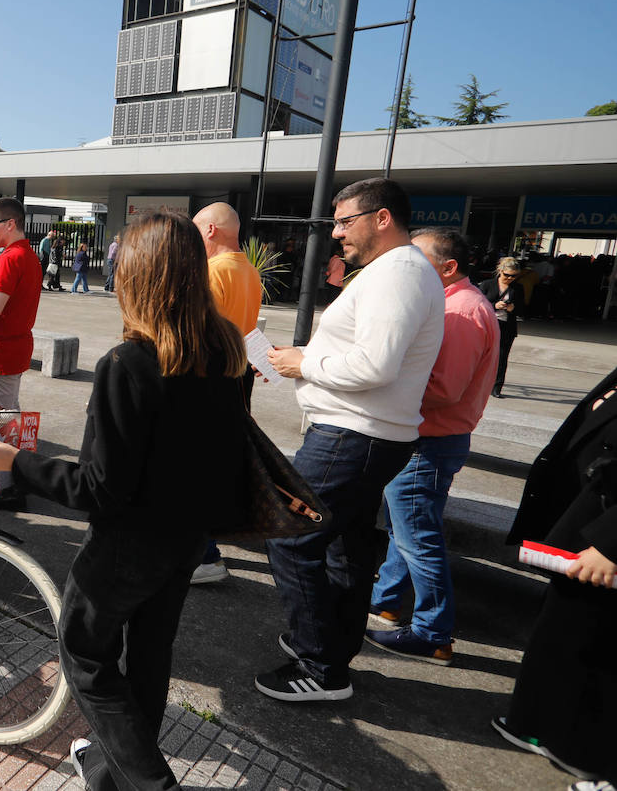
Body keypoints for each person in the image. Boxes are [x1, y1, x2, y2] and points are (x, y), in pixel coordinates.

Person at [0, 208, 249, 791]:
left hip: (128, 545)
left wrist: (13, 461)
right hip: (186, 538)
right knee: (149, 655)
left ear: (136, 276)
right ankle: (117, 772)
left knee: (85, 654)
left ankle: (147, 782)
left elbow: (99, 489)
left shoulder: (129, 363)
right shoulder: (228, 351)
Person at [259, 178, 444, 702]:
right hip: (362, 432)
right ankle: (331, 649)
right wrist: (303, 362)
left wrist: (304, 362)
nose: (337, 232)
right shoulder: (396, 271)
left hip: (353, 434)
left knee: (290, 535)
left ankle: (319, 663)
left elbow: (375, 365)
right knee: (344, 547)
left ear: (382, 218)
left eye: (344, 221)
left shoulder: (398, 273)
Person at [366, 228, 499, 665]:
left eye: (418, 258)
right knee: (406, 529)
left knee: (417, 536)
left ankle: (432, 633)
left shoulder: (460, 311)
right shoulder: (453, 304)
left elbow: (443, 388)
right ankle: (386, 600)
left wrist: (379, 383)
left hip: (432, 439)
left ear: (448, 267)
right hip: (431, 438)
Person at [493, 366, 617, 786]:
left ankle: (584, 751)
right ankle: (542, 727)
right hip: (589, 520)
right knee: (563, 631)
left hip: (604, 539)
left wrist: (612, 543)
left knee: (593, 643)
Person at [189, 201, 262, 585]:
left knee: (195, 471)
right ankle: (207, 550)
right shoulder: (249, 272)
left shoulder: (212, 273)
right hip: (237, 377)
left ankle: (204, 556)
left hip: (207, 381)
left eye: (196, 229)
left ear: (211, 231)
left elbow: (196, 338)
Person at [0, 197, 43, 510]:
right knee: (6, 415)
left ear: (10, 224)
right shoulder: (27, 255)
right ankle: (13, 482)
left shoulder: (11, 258)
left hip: (0, 351)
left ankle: (4, 488)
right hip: (13, 348)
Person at [479, 257, 525, 398]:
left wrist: (513, 308)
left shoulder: (518, 288)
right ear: (500, 271)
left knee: (502, 358)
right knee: (481, 356)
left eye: (514, 276)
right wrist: (494, 306)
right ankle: (478, 383)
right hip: (488, 325)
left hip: (507, 327)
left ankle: (497, 387)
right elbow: (477, 304)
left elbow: (523, 309)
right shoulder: (487, 284)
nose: (510, 278)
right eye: (507, 275)